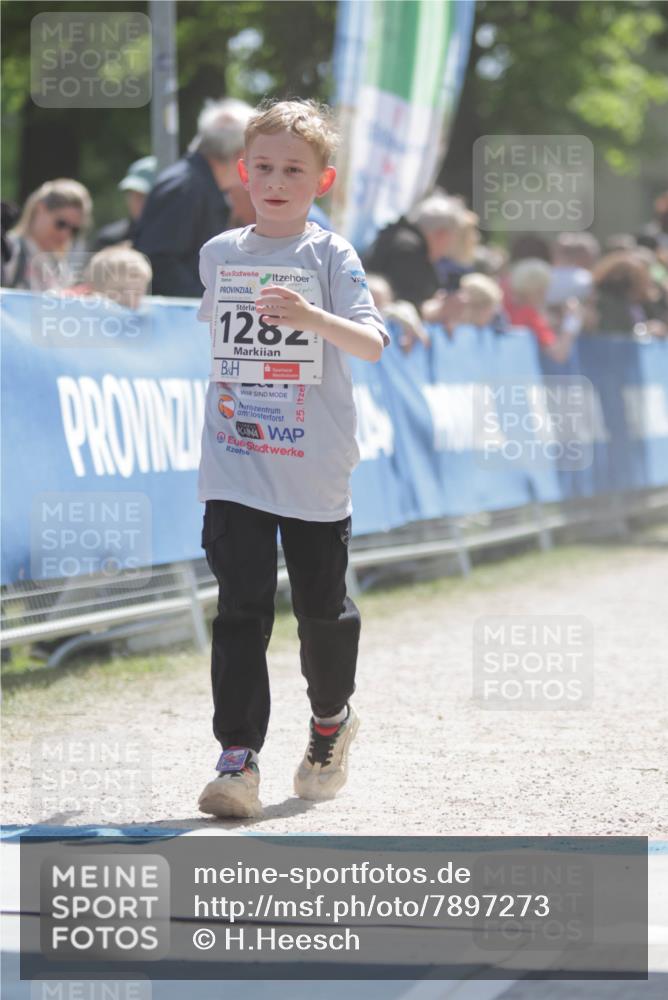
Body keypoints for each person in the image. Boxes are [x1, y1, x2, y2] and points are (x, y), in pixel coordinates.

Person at [196, 99, 389, 820]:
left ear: (322, 180)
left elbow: (372, 343)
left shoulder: (331, 255)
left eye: (294, 171)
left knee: (319, 614)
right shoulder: (220, 254)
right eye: (265, 168)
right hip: (237, 457)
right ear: (244, 172)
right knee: (241, 609)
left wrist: (309, 318)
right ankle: (237, 760)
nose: (277, 182)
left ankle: (331, 722)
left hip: (313, 463)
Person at [133, 98, 253, 296]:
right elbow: (158, 261)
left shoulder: (195, 185)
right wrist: (208, 302)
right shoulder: (186, 187)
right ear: (240, 154)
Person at [363, 191, 467, 329]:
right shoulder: (409, 251)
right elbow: (403, 305)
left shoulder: (397, 237)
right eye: (452, 239)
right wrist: (436, 309)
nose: (450, 247)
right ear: (442, 235)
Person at [2, 178, 92, 291]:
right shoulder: (9, 249)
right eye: (61, 223)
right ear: (40, 209)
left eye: (74, 229)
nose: (65, 234)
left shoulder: (61, 265)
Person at [93, 156, 157, 251]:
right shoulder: (109, 240)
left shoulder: (180, 239)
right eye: (131, 193)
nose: (135, 201)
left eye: (143, 195)